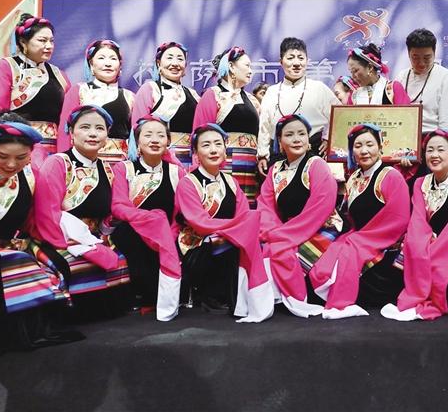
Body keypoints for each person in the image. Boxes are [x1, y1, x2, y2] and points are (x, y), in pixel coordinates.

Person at [0, 115, 82, 350]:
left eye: (21, 158)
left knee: (56, 263)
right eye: (2, 157)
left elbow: (36, 218)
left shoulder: (30, 176)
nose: (11, 165)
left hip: (12, 246)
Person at [31, 105, 129, 311]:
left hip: (94, 236)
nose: (93, 134)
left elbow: (109, 214)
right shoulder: (58, 163)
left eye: (99, 129)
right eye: (85, 127)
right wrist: (72, 244)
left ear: (107, 135)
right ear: (71, 132)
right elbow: (47, 212)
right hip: (60, 238)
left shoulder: (107, 168)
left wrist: (103, 237)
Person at [308, 124, 410, 319]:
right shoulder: (354, 177)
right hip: (358, 236)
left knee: (347, 251)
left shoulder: (391, 176)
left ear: (380, 147)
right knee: (326, 251)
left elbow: (399, 218)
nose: (364, 151)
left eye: (370, 145)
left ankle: (341, 301)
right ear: (351, 151)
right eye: (358, 146)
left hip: (385, 240)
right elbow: (349, 215)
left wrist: (364, 238)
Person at [174, 124, 273, 322]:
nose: (213, 150)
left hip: (227, 238)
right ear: (196, 153)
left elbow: (244, 214)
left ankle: (248, 296)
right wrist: (235, 229)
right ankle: (214, 295)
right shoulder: (188, 183)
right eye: (206, 145)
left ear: (225, 148)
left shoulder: (230, 181)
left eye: (218, 144)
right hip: (196, 245)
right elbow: (200, 223)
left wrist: (240, 228)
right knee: (227, 242)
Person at [381, 129, 448, 321]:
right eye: (430, 150)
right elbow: (418, 221)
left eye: (441, 150)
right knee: (403, 257)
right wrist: (422, 245)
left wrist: (434, 248)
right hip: (429, 240)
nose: (434, 155)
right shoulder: (421, 183)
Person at [257, 114, 339, 318]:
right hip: (287, 229)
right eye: (289, 135)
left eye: (302, 134)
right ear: (279, 140)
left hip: (321, 226)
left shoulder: (316, 164)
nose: (296, 139)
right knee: (265, 248)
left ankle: (296, 299)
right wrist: (273, 230)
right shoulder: (275, 170)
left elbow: (321, 206)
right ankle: (274, 299)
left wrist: (284, 234)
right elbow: (265, 206)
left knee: (282, 250)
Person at [109, 117, 184, 321]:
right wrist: (150, 222)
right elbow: (118, 206)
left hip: (167, 233)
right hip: (134, 229)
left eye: (161, 135)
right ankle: (144, 296)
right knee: (128, 235)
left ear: (168, 141)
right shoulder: (124, 169)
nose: (155, 140)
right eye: (148, 135)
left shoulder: (177, 172)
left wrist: (168, 233)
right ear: (137, 141)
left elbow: (180, 212)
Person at [0, 14, 70, 167]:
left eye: (51, 41)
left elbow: (67, 120)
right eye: (42, 40)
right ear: (23, 41)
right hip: (17, 148)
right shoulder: (6, 68)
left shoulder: (59, 75)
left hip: (53, 151)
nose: (49, 46)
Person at [257, 38, 339, 174]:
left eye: (301, 58)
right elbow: (264, 126)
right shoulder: (272, 91)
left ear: (307, 61)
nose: (296, 63)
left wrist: (328, 138)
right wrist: (262, 154)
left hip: (314, 152)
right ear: (281, 62)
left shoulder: (319, 88)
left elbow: (339, 115)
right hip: (280, 155)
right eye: (290, 58)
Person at [193, 46, 261, 205]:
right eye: (247, 66)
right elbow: (200, 136)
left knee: (248, 207)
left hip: (250, 168)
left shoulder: (253, 100)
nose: (251, 71)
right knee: (223, 205)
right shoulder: (212, 95)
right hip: (222, 165)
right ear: (231, 66)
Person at [58, 39, 134, 162]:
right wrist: (65, 162)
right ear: (91, 64)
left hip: (120, 164)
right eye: (101, 58)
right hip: (83, 163)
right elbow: (64, 132)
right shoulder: (79, 91)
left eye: (113, 59)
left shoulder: (130, 97)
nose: (108, 63)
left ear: (120, 65)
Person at [131, 42, 200, 167]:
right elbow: (138, 131)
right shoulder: (150, 89)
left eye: (180, 59)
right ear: (159, 63)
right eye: (169, 58)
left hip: (190, 162)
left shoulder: (193, 94)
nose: (175, 63)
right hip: (157, 159)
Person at [398, 28, 448, 134]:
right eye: (415, 58)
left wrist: (444, 142)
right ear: (408, 54)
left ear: (434, 53)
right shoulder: (401, 77)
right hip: (405, 136)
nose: (421, 63)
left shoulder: (445, 77)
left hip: (433, 137)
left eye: (427, 58)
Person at [346, 43, 411, 105]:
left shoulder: (393, 88)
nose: (353, 76)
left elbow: (405, 112)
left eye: (355, 71)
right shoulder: (353, 96)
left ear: (370, 67)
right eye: (351, 72)